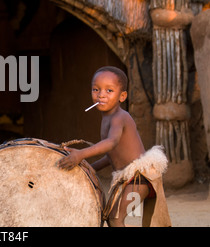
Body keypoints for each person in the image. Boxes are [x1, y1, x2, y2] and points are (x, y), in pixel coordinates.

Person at [57, 66, 171, 227]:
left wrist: (81, 154)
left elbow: (111, 143)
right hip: (130, 178)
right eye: (96, 89)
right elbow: (112, 154)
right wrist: (90, 168)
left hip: (141, 178)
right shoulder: (107, 118)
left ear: (122, 96)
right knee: (112, 217)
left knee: (115, 218)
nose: (101, 94)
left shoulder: (119, 117)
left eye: (109, 91)